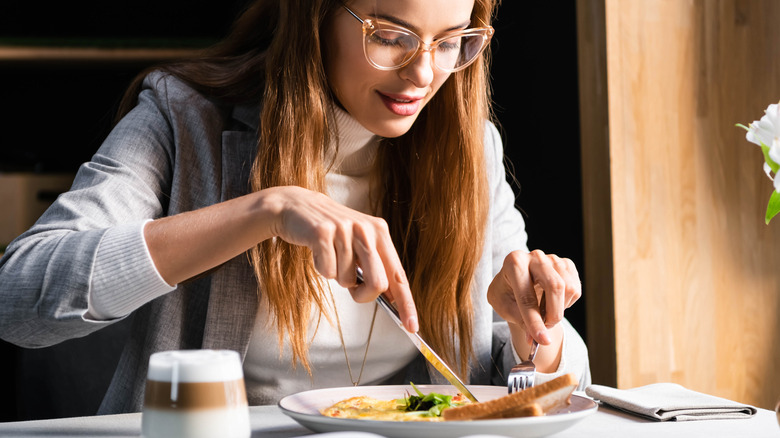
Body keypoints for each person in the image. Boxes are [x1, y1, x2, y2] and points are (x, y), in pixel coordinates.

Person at [0, 0, 590, 413]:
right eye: (389, 36)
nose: (424, 74)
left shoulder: (470, 147)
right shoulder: (182, 120)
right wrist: (265, 210)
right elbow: (17, 299)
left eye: (450, 42)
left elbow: (518, 388)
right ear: (315, 16)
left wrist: (533, 338)